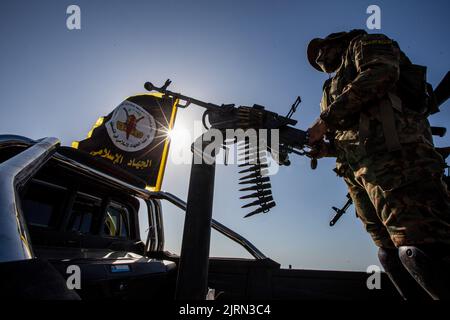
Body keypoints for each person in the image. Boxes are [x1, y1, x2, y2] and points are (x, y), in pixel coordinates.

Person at [306, 29, 450, 299]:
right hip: (360, 174)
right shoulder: (330, 87)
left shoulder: (365, 43)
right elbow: (347, 134)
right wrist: (326, 149)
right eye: (315, 60)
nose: (319, 59)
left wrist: (325, 120)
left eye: (321, 51)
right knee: (389, 253)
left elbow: (381, 75)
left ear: (335, 42)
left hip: (398, 159)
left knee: (422, 249)